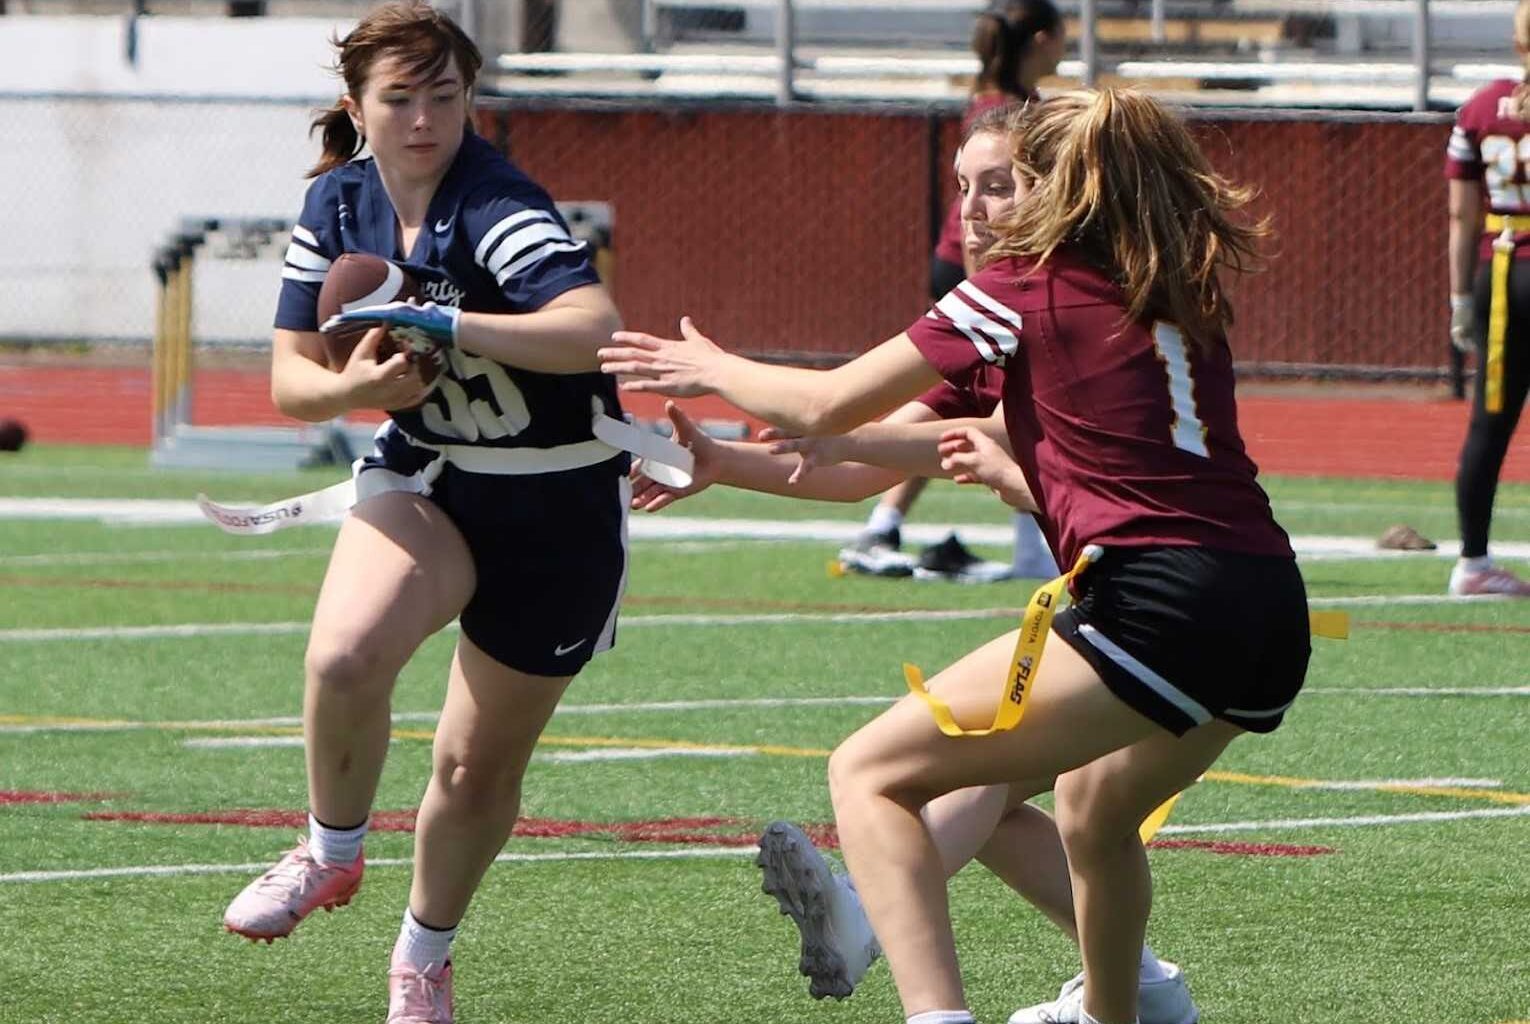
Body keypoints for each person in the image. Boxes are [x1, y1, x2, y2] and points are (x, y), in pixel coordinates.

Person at [602, 88, 1307, 1024]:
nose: (972, 212)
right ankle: (1127, 1005)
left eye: (1000, 186)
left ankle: (923, 994)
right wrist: (728, 461)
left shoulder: (1023, 291)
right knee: (1089, 813)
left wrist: (712, 370)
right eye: (962, 188)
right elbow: (877, 455)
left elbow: (825, 411)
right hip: (1266, 606)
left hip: (1161, 602)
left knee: (870, 772)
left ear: (1062, 190)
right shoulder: (1161, 283)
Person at [219, 5, 631, 1022]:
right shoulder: (338, 206)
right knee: (343, 656)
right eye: (399, 99)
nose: (423, 119)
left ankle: (423, 956)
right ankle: (330, 850)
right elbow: (292, 382)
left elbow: (593, 327)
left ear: (471, 99)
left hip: (559, 496)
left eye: (444, 96)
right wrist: (365, 384)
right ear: (358, 107)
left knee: (470, 761)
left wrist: (444, 319)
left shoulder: (495, 203)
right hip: (434, 468)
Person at [845, 0, 1064, 583]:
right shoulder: (1008, 112)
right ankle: (882, 522)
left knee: (987, 407)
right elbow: (978, 226)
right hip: (981, 271)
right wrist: (982, 294)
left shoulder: (1010, 103)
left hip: (985, 276)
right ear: (1043, 39)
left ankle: (887, 524)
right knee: (983, 406)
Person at [1443, 0, 1530, 597]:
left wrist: (1457, 298)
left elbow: (1460, 215)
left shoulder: (1480, 106)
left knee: (1488, 423)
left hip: (1499, 273)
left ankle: (1473, 561)